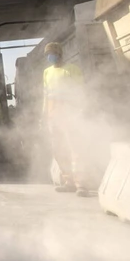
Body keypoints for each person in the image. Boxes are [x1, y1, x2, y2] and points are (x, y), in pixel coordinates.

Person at [41, 42, 89, 196]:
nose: (50, 57)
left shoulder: (72, 70)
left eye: (52, 53)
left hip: (70, 114)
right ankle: (68, 181)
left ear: (60, 53)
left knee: (75, 149)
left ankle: (81, 184)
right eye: (48, 54)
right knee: (58, 150)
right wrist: (43, 116)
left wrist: (81, 110)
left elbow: (80, 92)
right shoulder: (47, 72)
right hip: (53, 116)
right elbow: (46, 96)